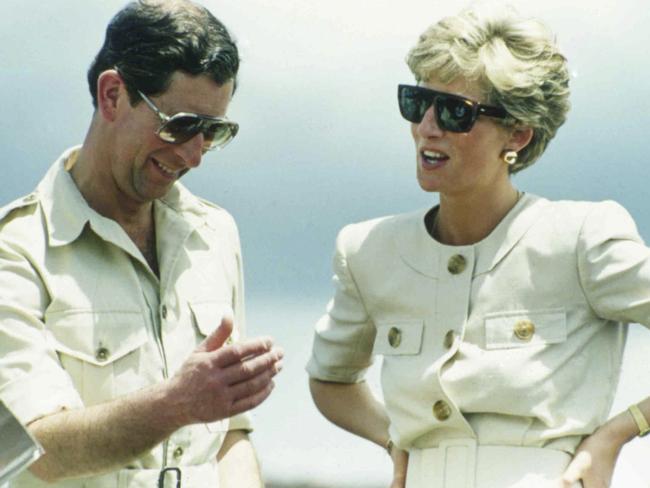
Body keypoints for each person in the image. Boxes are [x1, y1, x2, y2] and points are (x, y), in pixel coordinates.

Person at [307, 4, 650, 488]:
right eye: (416, 102)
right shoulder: (367, 249)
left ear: (518, 134)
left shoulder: (582, 237)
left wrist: (617, 433)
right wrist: (393, 441)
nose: (427, 126)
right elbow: (331, 379)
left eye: (454, 112)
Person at [0, 1, 284, 487]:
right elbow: (30, 450)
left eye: (212, 131)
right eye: (181, 125)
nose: (194, 155)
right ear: (112, 96)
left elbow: (230, 436)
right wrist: (175, 405)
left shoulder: (215, 234)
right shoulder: (16, 249)